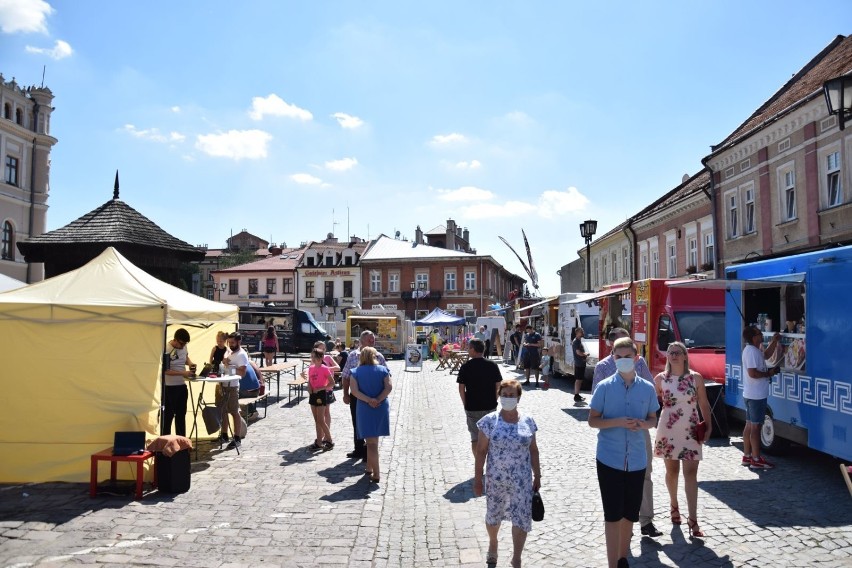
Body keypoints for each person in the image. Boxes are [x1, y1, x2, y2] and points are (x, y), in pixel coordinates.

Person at [589, 337, 659, 568]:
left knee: (630, 513)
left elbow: (653, 419)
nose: (623, 361)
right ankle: (612, 564)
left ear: (637, 359)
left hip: (637, 459)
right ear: (613, 358)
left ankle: (622, 558)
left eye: (628, 357)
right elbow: (593, 421)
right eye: (618, 357)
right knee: (612, 514)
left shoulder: (647, 388)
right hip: (609, 458)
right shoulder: (605, 386)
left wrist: (643, 425)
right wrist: (618, 421)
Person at [473, 379, 541, 568]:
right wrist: (478, 479)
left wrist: (538, 475)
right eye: (504, 395)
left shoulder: (528, 421)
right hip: (496, 480)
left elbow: (534, 450)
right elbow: (481, 452)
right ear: (499, 396)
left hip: (522, 481)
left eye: (512, 395)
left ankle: (516, 557)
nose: (508, 398)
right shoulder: (489, 421)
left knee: (521, 517)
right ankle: (493, 542)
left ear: (519, 397)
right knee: (493, 515)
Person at [653, 341, 712, 538]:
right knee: (672, 471)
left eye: (678, 352)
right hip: (668, 429)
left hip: (691, 428)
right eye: (670, 352)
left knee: (691, 472)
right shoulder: (660, 379)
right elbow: (655, 403)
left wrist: (709, 424)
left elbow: (703, 403)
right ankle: (674, 505)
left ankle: (693, 519)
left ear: (685, 355)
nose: (674, 355)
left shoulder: (695, 378)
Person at [341, 330, 389, 460]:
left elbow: (387, 378)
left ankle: (369, 452)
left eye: (373, 339)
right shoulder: (352, 356)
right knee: (357, 423)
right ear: (361, 341)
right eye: (369, 339)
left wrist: (380, 397)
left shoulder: (378, 356)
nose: (372, 341)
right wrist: (345, 394)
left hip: (375, 396)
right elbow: (345, 376)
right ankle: (359, 449)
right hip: (357, 397)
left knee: (371, 424)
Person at [350, 346, 392, 482]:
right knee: (374, 440)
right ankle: (369, 468)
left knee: (371, 442)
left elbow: (355, 391)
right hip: (380, 406)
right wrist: (378, 399)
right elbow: (389, 387)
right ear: (375, 357)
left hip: (364, 407)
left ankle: (377, 473)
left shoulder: (355, 372)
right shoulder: (383, 370)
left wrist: (369, 400)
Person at [741, 326, 781, 470]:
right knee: (756, 427)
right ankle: (756, 458)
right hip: (756, 395)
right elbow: (753, 373)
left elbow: (766, 355)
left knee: (750, 425)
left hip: (751, 393)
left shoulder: (754, 350)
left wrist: (774, 342)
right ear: (753, 337)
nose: (761, 334)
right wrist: (768, 374)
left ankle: (747, 456)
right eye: (759, 333)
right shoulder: (751, 352)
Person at [457, 338, 503, 456]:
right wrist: (495, 399)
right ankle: (489, 464)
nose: (467, 350)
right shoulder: (492, 365)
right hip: (490, 406)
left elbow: (461, 388)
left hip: (472, 407)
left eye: (468, 348)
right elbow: (498, 385)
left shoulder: (465, 367)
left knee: (475, 437)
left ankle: (479, 464)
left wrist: (465, 403)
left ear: (473, 349)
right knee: (490, 436)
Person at [219, 332, 255, 450]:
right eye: (229, 342)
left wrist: (230, 366)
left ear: (239, 342)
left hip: (232, 386)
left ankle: (237, 437)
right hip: (223, 383)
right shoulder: (230, 351)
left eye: (233, 342)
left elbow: (242, 373)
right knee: (222, 411)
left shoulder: (241, 354)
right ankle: (224, 435)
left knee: (234, 411)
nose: (230, 344)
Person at [163, 328, 194, 437]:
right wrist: (183, 373)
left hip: (182, 386)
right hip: (169, 387)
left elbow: (185, 357)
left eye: (185, 344)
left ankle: (181, 443)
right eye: (181, 343)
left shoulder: (184, 346)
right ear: (175, 340)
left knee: (181, 416)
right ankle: (165, 443)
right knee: (168, 416)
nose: (183, 346)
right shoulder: (166, 349)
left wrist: (190, 363)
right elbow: (166, 371)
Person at [307, 348, 335, 450]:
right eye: (312, 357)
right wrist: (309, 387)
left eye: (316, 357)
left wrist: (321, 388)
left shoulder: (324, 368)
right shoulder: (310, 368)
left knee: (321, 420)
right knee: (316, 420)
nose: (314, 359)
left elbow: (332, 383)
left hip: (321, 394)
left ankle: (329, 440)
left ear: (322, 358)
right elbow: (310, 380)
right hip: (313, 394)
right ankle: (319, 442)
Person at [571, 327, 589, 402]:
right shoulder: (576, 342)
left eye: (583, 331)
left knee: (580, 379)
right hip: (579, 363)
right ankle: (576, 395)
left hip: (581, 362)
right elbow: (578, 352)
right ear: (577, 332)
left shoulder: (579, 341)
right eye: (581, 331)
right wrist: (585, 354)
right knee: (578, 379)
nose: (583, 332)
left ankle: (577, 394)